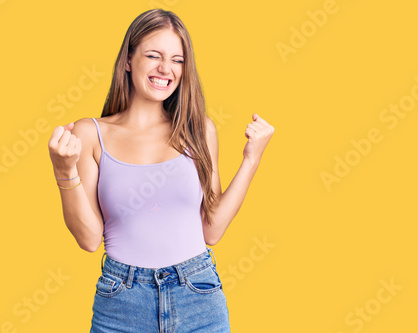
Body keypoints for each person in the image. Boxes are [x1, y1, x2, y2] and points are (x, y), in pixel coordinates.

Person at [47, 8, 274, 333]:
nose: (165, 69)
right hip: (121, 302)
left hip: (197, 294)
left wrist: (251, 160)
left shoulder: (199, 130)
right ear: (128, 59)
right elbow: (89, 238)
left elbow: (212, 230)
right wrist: (63, 171)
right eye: (154, 55)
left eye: (177, 60)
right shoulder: (91, 134)